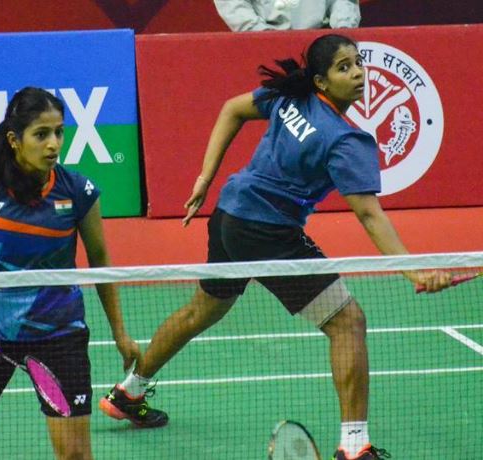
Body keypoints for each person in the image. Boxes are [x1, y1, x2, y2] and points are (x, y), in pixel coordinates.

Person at [99, 34, 452, 459]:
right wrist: (413, 270)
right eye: (344, 67)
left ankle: (128, 392)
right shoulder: (345, 140)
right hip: (268, 232)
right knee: (347, 323)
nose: (358, 73)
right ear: (321, 80)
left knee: (201, 310)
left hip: (229, 215)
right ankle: (355, 447)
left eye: (359, 63)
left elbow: (231, 108)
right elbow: (369, 215)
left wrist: (206, 179)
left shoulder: (292, 96)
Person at [0, 87, 143, 460]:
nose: (53, 144)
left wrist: (120, 332)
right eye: (41, 134)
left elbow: (100, 261)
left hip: (58, 335)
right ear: (15, 140)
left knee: (76, 455)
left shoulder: (77, 190)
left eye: (59, 132)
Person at [214, 0, 361, 32]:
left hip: (321, 46)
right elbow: (235, 8)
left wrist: (343, 29)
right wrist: (262, 36)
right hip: (261, 47)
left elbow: (343, 2)